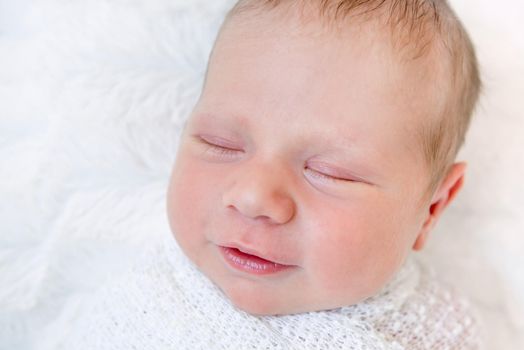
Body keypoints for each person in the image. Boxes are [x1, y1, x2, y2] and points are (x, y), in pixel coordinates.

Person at [61, 0, 482, 348]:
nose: (253, 196)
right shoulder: (142, 304)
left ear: (431, 208)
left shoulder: (439, 333)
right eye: (221, 144)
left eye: (329, 172)